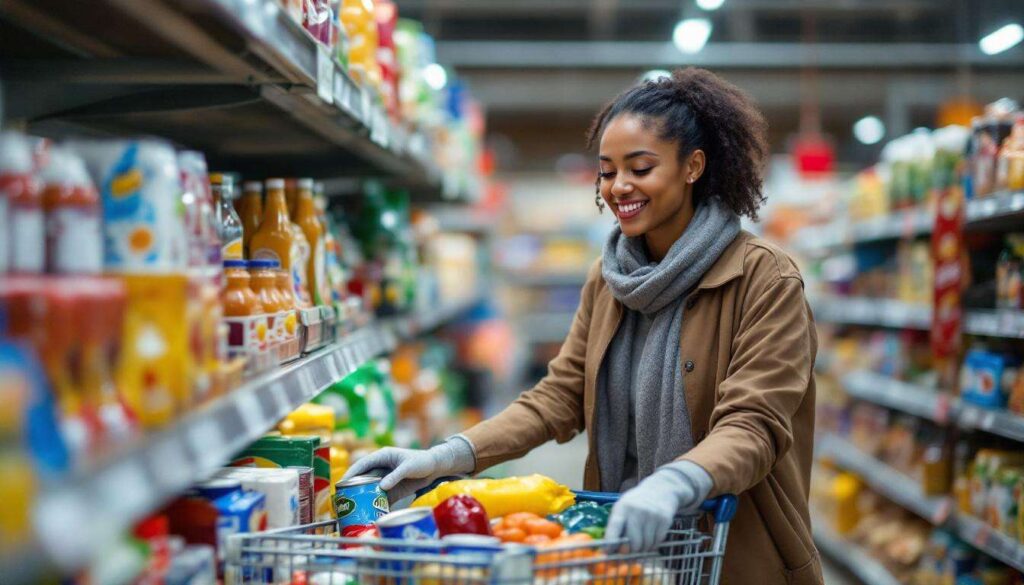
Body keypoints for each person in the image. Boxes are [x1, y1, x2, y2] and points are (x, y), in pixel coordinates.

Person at [344, 67, 822, 585]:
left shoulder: (764, 278)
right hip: (623, 547)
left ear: (693, 167)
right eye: (607, 170)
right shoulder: (611, 277)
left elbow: (754, 423)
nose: (620, 187)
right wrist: (447, 456)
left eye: (640, 168)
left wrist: (675, 483)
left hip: (732, 555)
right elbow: (560, 395)